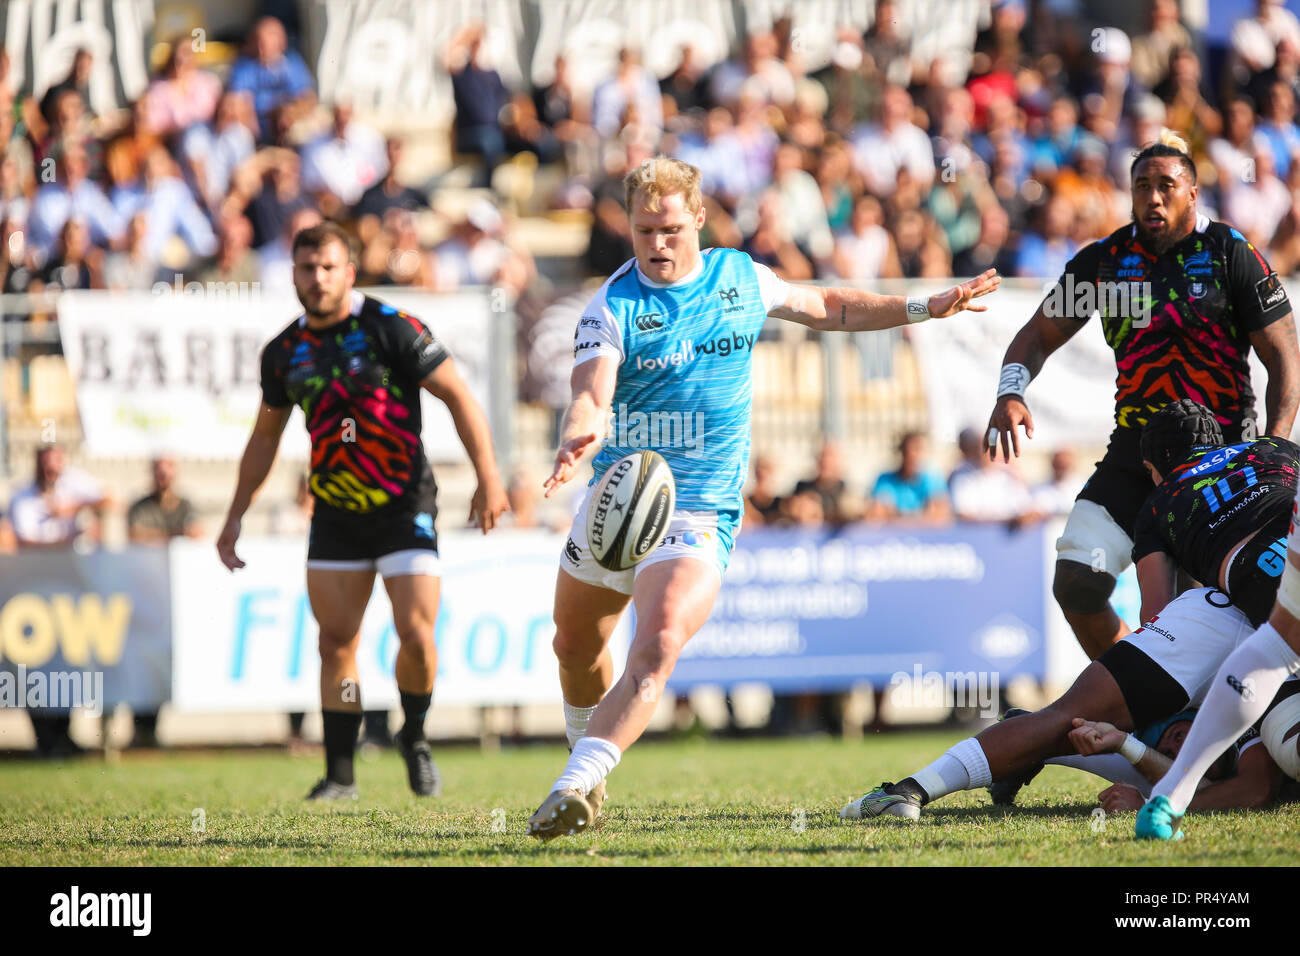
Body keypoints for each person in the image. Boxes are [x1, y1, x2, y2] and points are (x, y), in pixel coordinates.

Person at [526, 155, 1000, 839]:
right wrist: (581, 433)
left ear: (697, 218)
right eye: (642, 231)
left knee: (657, 642)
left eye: (668, 230)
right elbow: (590, 392)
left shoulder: (738, 278)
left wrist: (924, 305)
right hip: (620, 497)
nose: (656, 245)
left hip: (697, 510)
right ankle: (586, 765)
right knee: (573, 645)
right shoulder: (613, 306)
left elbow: (829, 307)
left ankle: (573, 786)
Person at [841, 401, 1298, 822]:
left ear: (1153, 468)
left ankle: (910, 790)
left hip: (1224, 609)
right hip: (1276, 593)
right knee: (1264, 756)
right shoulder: (1274, 448)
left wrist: (1187, 695)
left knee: (1065, 717)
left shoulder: (1159, 502)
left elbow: (1157, 612)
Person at [216, 221, 508, 800]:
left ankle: (415, 736)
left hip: (405, 503)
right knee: (335, 645)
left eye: (329, 267)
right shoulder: (284, 352)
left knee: (418, 635)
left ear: (350, 271)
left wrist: (489, 478)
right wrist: (234, 515)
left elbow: (459, 396)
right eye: (307, 268)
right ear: (293, 274)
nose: (318, 279)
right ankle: (341, 774)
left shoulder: (390, 327)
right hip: (336, 514)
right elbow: (264, 439)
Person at [986, 130, 1300, 661]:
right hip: (1137, 450)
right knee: (1077, 582)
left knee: (1202, 605)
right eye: (1141, 186)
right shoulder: (1104, 263)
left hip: (1222, 454)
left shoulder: (1230, 252)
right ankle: (1136, 701)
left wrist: (1269, 449)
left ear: (1193, 193)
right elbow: (1036, 336)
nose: (1153, 198)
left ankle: (1226, 725)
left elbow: (1284, 358)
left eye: (1166, 186)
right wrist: (1010, 392)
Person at [866, 431, 950, 524]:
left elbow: (940, 516)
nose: (915, 455)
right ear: (902, 452)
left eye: (920, 450)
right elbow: (877, 514)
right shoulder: (885, 480)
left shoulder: (934, 480)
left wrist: (898, 518)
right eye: (913, 450)